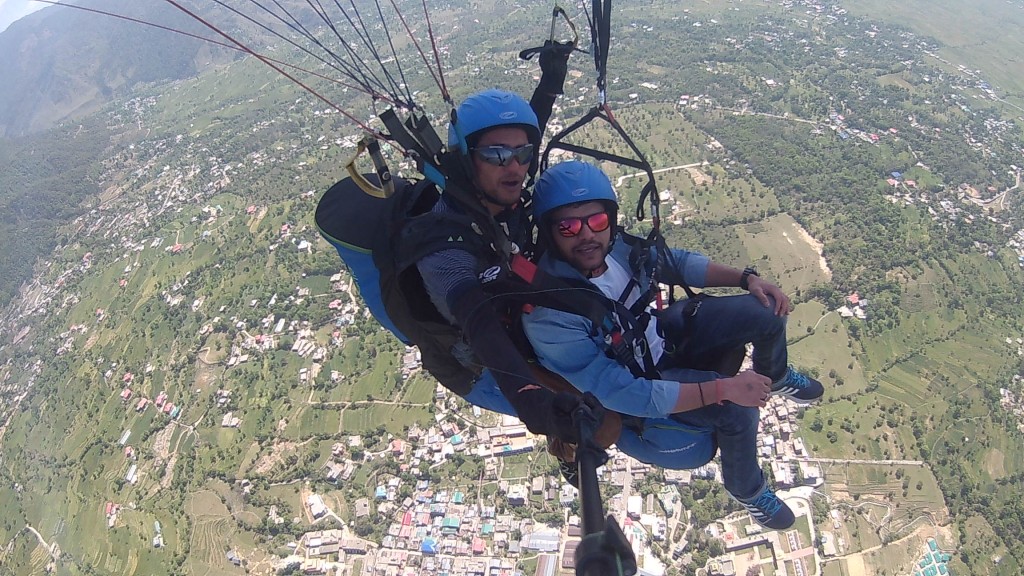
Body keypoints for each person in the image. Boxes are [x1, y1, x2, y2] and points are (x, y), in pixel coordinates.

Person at [521, 160, 826, 529]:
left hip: (660, 334)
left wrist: (747, 279)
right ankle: (747, 489)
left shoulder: (615, 249)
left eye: (597, 221)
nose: (587, 235)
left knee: (766, 312)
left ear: (610, 220)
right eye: (568, 227)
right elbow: (619, 393)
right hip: (643, 380)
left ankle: (774, 376)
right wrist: (724, 388)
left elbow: (674, 263)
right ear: (550, 234)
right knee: (738, 410)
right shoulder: (551, 312)